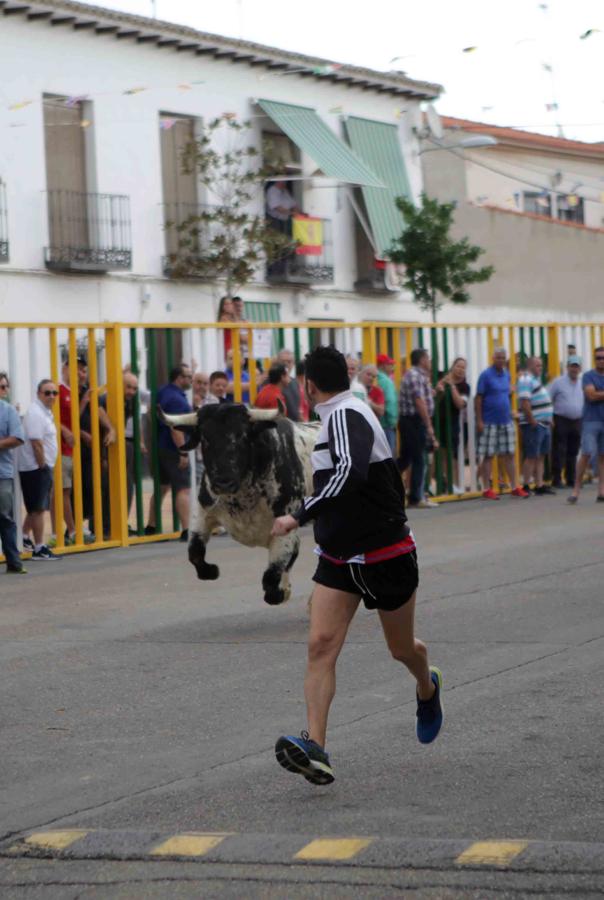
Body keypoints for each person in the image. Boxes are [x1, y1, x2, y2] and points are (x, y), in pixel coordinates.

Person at [271, 346, 443, 786]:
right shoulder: (332, 418)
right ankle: (316, 748)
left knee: (402, 649)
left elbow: (349, 473)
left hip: (386, 553)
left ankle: (427, 686)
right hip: (340, 558)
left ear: (308, 385)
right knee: (321, 645)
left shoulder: (349, 414)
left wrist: (298, 514)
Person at [146, 364, 192, 540]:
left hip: (161, 446)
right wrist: (183, 452)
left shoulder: (163, 391)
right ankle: (187, 530)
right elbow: (176, 428)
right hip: (174, 449)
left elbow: (151, 412)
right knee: (183, 489)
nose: (190, 379)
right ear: (179, 378)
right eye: (188, 376)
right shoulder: (176, 400)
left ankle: (151, 525)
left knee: (162, 487)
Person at [475, 348, 528, 500]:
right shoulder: (485, 375)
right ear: (493, 358)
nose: (501, 360)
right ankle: (486, 488)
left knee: (510, 454)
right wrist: (479, 420)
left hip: (506, 421)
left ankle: (514, 487)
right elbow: (478, 399)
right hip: (489, 421)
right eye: (498, 357)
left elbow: (507, 393)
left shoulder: (506, 374)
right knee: (488, 456)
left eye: (503, 358)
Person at [18, 379, 60, 561]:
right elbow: (36, 443)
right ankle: (39, 547)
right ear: (38, 394)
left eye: (54, 393)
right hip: (36, 467)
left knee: (36, 506)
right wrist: (42, 465)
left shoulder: (43, 412)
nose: (51, 396)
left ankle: (25, 536)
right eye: (47, 392)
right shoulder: (36, 413)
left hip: (38, 467)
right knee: (38, 509)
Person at [398, 349, 439, 509]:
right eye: (428, 357)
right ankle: (416, 497)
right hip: (413, 421)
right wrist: (428, 425)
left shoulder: (418, 375)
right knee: (418, 459)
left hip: (412, 421)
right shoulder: (415, 375)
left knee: (406, 458)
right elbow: (419, 401)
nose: (430, 361)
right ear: (422, 359)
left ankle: (387, 481)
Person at [568, 347, 604, 504]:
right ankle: (576, 489)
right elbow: (591, 395)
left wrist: (599, 393)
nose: (601, 360)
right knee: (586, 453)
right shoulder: (589, 376)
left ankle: (601, 491)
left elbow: (597, 394)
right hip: (591, 420)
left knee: (603, 456)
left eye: (603, 358)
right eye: (598, 358)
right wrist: (597, 394)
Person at [517, 356, 555, 495]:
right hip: (534, 424)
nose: (541, 368)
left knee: (541, 455)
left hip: (543, 423)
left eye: (541, 365)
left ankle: (539, 485)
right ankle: (526, 485)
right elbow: (525, 402)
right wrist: (532, 420)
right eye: (538, 365)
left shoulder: (535, 379)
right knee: (531, 455)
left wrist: (548, 418)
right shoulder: (525, 379)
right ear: (530, 366)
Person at [0, 373, 26, 574]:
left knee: (5, 517)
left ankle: (13, 561)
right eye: (1, 387)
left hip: (2, 474)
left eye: (5, 387)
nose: (4, 391)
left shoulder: (8, 411)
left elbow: (18, 438)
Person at [435, 357, 470, 494]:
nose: (460, 370)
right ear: (452, 367)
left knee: (451, 454)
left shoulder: (464, 386)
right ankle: (442, 482)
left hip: (452, 423)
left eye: (463, 368)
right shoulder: (442, 379)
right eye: (458, 366)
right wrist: (441, 385)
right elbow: (433, 396)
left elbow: (460, 404)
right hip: (438, 422)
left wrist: (452, 386)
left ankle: (453, 484)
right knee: (440, 454)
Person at [549, 355, 583, 489]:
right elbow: (549, 398)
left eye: (576, 366)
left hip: (577, 420)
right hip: (561, 419)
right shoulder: (558, 382)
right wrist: (550, 417)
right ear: (567, 367)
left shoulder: (582, 382)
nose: (574, 369)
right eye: (572, 366)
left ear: (580, 368)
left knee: (573, 451)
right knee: (559, 450)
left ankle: (571, 478)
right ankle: (556, 479)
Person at [123, 370, 148, 519]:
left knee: (129, 484)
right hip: (122, 441)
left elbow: (138, 421)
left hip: (131, 441)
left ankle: (123, 522)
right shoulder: (112, 398)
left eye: (134, 387)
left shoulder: (133, 400)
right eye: (128, 386)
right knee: (123, 484)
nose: (132, 391)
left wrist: (141, 441)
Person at [376, 353, 399, 454]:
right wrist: (393, 421)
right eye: (390, 364)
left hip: (377, 424)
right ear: (383, 365)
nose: (392, 367)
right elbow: (390, 403)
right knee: (389, 458)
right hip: (387, 425)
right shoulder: (387, 382)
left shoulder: (376, 379)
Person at [276, 348, 301, 421]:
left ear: (293, 364)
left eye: (289, 362)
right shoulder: (272, 382)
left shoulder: (295, 382)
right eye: (283, 362)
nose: (286, 364)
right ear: (277, 362)